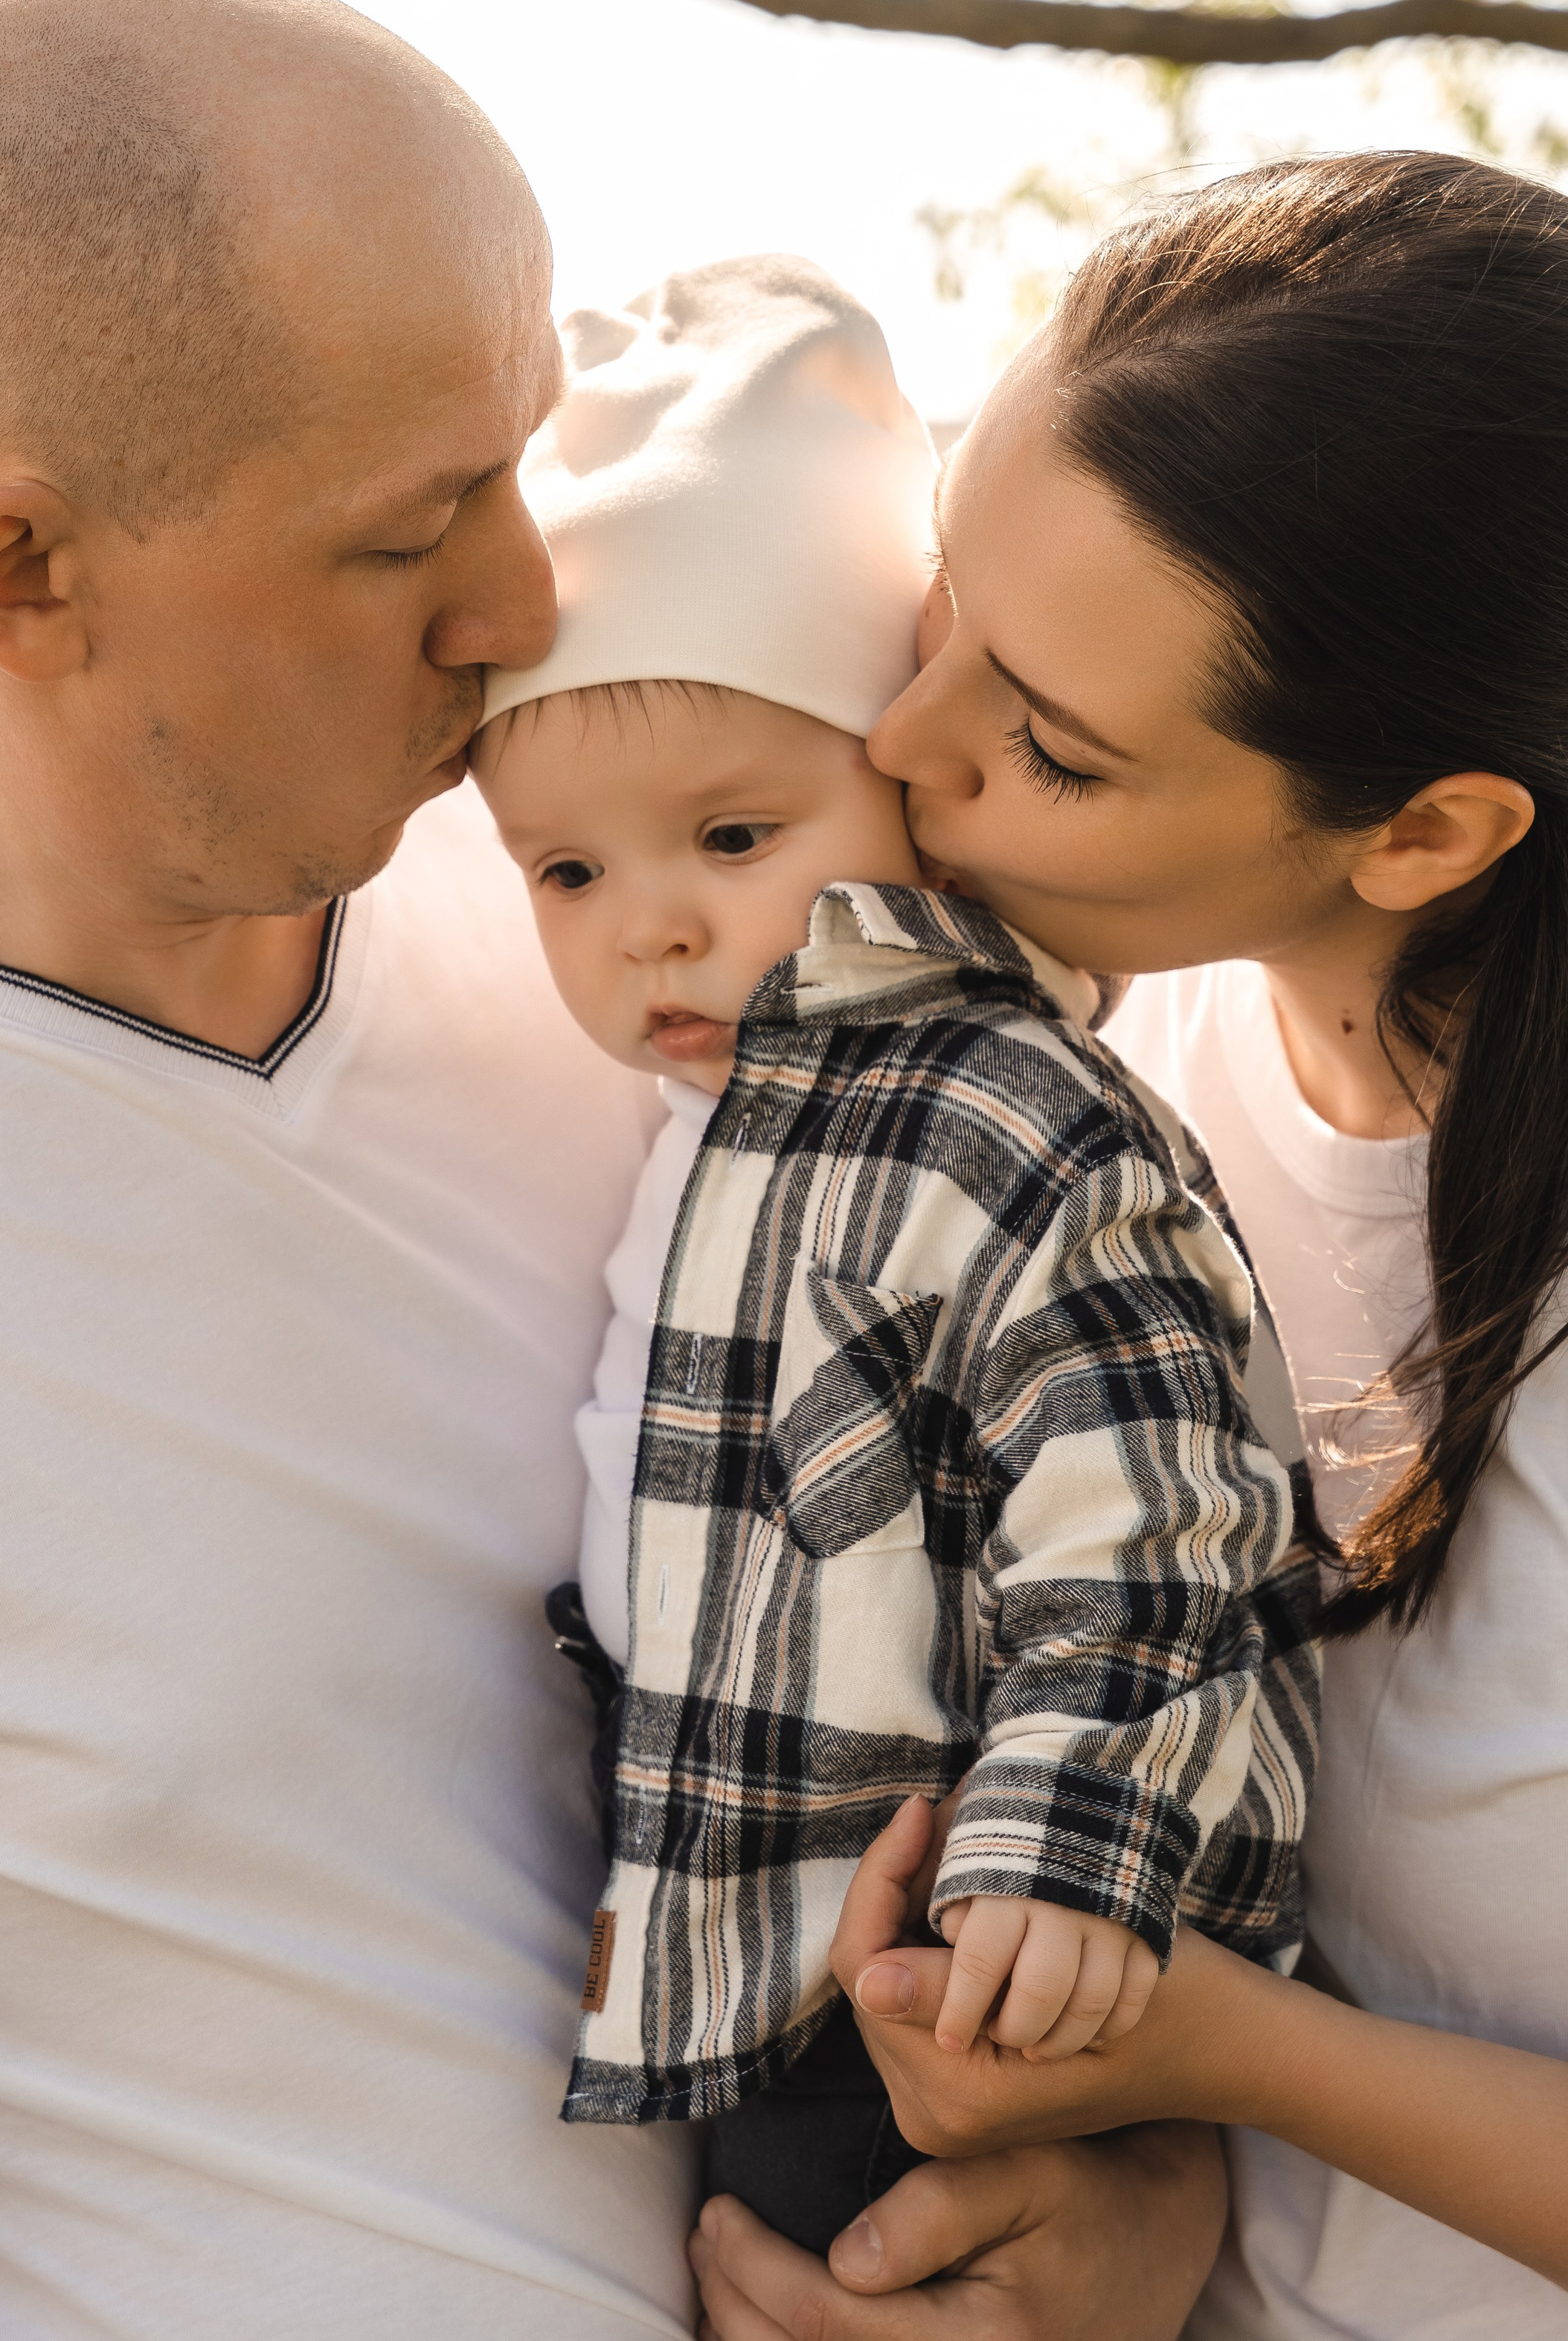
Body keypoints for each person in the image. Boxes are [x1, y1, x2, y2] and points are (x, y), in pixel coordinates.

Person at [0, 0, 704, 2340]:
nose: (525, 598)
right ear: (25, 577)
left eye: (533, 455)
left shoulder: (644, 935)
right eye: (413, 532)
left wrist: (1136, 2209)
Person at [690, 151, 1568, 2340]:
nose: (903, 748)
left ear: (1423, 831)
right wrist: (1136, 2214)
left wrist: (1224, 2055)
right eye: (949, 606)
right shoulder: (1089, 1090)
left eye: (1046, 743)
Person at [471, 258, 1320, 2256]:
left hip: (968, 1961)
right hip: (773, 1966)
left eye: (735, 836)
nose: (649, 926)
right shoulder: (715, 1128)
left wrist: (1060, 1857)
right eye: (570, 872)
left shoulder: (996, 1109)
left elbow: (1153, 1497)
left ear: (906, 788)